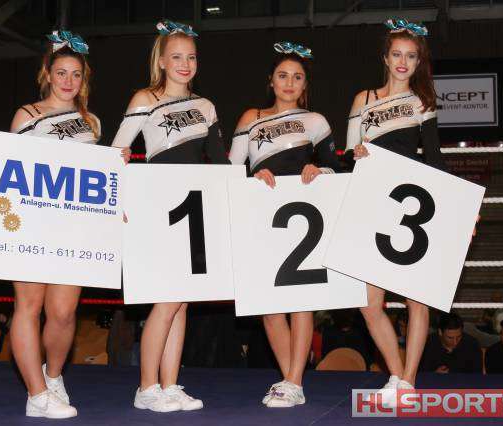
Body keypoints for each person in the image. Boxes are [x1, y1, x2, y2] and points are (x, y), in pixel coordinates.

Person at [0, 30, 127, 419]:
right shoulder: (27, 115)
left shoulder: (91, 122)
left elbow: (93, 175)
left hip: (73, 226)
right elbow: (7, 162)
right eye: (61, 72)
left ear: (84, 79)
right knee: (28, 306)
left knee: (63, 312)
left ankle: (53, 377)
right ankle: (36, 394)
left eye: (76, 74)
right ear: (47, 74)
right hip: (30, 221)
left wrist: (115, 174)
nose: (68, 81)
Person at [111, 20, 229, 413]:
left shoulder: (206, 106)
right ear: (161, 61)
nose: (184, 64)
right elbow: (117, 153)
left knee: (182, 303)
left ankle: (170, 384)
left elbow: (220, 163)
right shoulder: (144, 99)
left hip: (195, 208)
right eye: (176, 56)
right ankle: (146, 387)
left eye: (191, 57)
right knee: (167, 300)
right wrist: (118, 200)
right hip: (158, 205)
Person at [229, 41, 341, 408]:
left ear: (305, 84)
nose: (289, 83)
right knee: (269, 307)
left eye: (297, 77)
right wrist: (252, 176)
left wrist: (317, 169)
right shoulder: (250, 118)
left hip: (302, 218)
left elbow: (336, 168)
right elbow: (231, 170)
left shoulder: (316, 121)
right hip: (262, 213)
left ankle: (293, 381)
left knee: (300, 302)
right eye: (283, 75)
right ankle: (290, 378)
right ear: (271, 81)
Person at [347, 18, 447, 401]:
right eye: (397, 54)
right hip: (372, 201)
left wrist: (458, 209)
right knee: (369, 304)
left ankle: (408, 382)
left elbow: (435, 158)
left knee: (415, 299)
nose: (403, 62)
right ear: (385, 59)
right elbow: (348, 154)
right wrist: (355, 154)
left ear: (418, 62)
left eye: (411, 56)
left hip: (411, 203)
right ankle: (395, 373)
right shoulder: (363, 99)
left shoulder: (422, 102)